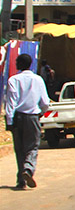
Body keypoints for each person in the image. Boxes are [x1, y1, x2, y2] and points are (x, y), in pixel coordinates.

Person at [5, 53, 51, 190]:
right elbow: (45, 102)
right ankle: (28, 169)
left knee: (19, 149)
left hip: (18, 118)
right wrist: (40, 113)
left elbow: (10, 103)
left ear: (20, 64)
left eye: (17, 62)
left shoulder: (13, 80)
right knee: (32, 147)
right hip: (33, 117)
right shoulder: (38, 80)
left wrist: (9, 121)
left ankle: (21, 181)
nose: (16, 64)